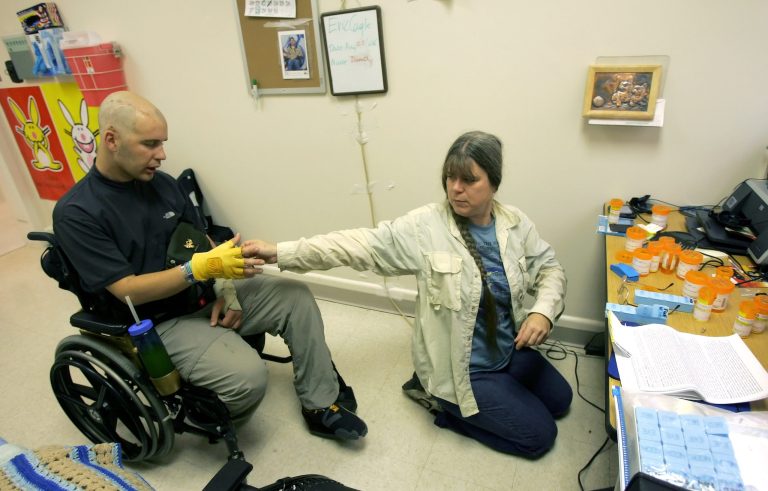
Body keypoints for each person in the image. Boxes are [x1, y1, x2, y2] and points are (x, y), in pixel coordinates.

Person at [52, 91, 367, 441]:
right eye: (150, 144)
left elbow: (199, 242)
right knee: (249, 380)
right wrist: (197, 271)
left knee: (295, 297)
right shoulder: (77, 212)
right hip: (156, 323)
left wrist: (225, 289)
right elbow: (127, 291)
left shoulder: (163, 184)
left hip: (201, 296)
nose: (162, 154)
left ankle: (319, 403)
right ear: (111, 140)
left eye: (163, 143)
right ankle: (207, 412)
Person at [242, 130, 572, 457]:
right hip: (462, 369)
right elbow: (356, 245)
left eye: (469, 180)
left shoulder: (514, 223)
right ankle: (442, 406)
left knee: (561, 400)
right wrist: (280, 252)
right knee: (539, 437)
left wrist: (542, 312)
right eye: (450, 177)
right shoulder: (425, 227)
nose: (456, 189)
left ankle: (500, 393)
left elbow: (549, 268)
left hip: (507, 348)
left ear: (494, 183)